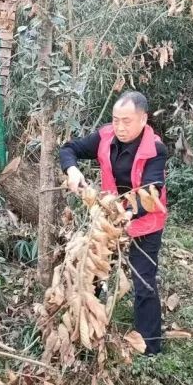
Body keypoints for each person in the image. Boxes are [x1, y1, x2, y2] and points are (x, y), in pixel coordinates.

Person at [59, 91, 168, 354]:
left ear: (143, 119)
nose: (119, 127)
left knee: (143, 282)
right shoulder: (105, 136)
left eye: (126, 121)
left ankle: (150, 346)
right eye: (116, 120)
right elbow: (68, 149)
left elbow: (152, 193)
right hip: (108, 219)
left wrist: (127, 214)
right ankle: (85, 336)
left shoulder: (155, 149)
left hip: (145, 223)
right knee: (93, 272)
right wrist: (72, 170)